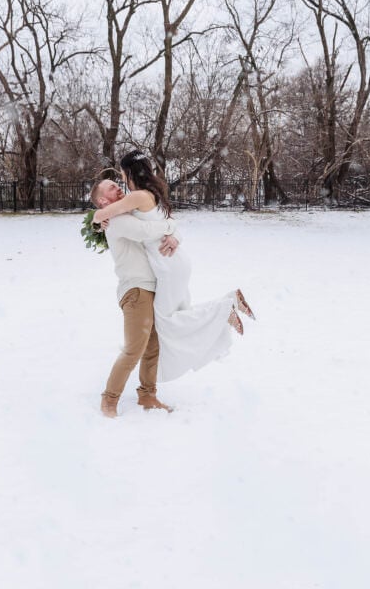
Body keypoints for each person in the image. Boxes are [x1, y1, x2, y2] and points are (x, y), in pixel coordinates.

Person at [93, 150, 255, 387]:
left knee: (166, 322)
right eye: (112, 184)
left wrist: (99, 217)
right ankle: (226, 305)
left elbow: (106, 214)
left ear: (130, 173)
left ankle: (224, 308)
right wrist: (171, 228)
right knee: (175, 317)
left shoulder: (136, 197)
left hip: (166, 263)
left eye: (121, 175)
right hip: (174, 260)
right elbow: (154, 220)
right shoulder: (151, 194)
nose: (120, 182)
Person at [91, 176, 179, 418]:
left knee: (152, 347)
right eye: (111, 187)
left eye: (117, 184)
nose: (118, 187)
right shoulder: (117, 221)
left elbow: (156, 225)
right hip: (136, 290)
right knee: (134, 349)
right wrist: (171, 227)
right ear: (102, 199)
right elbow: (145, 232)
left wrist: (173, 233)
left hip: (149, 287)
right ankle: (109, 400)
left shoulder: (127, 215)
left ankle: (147, 395)